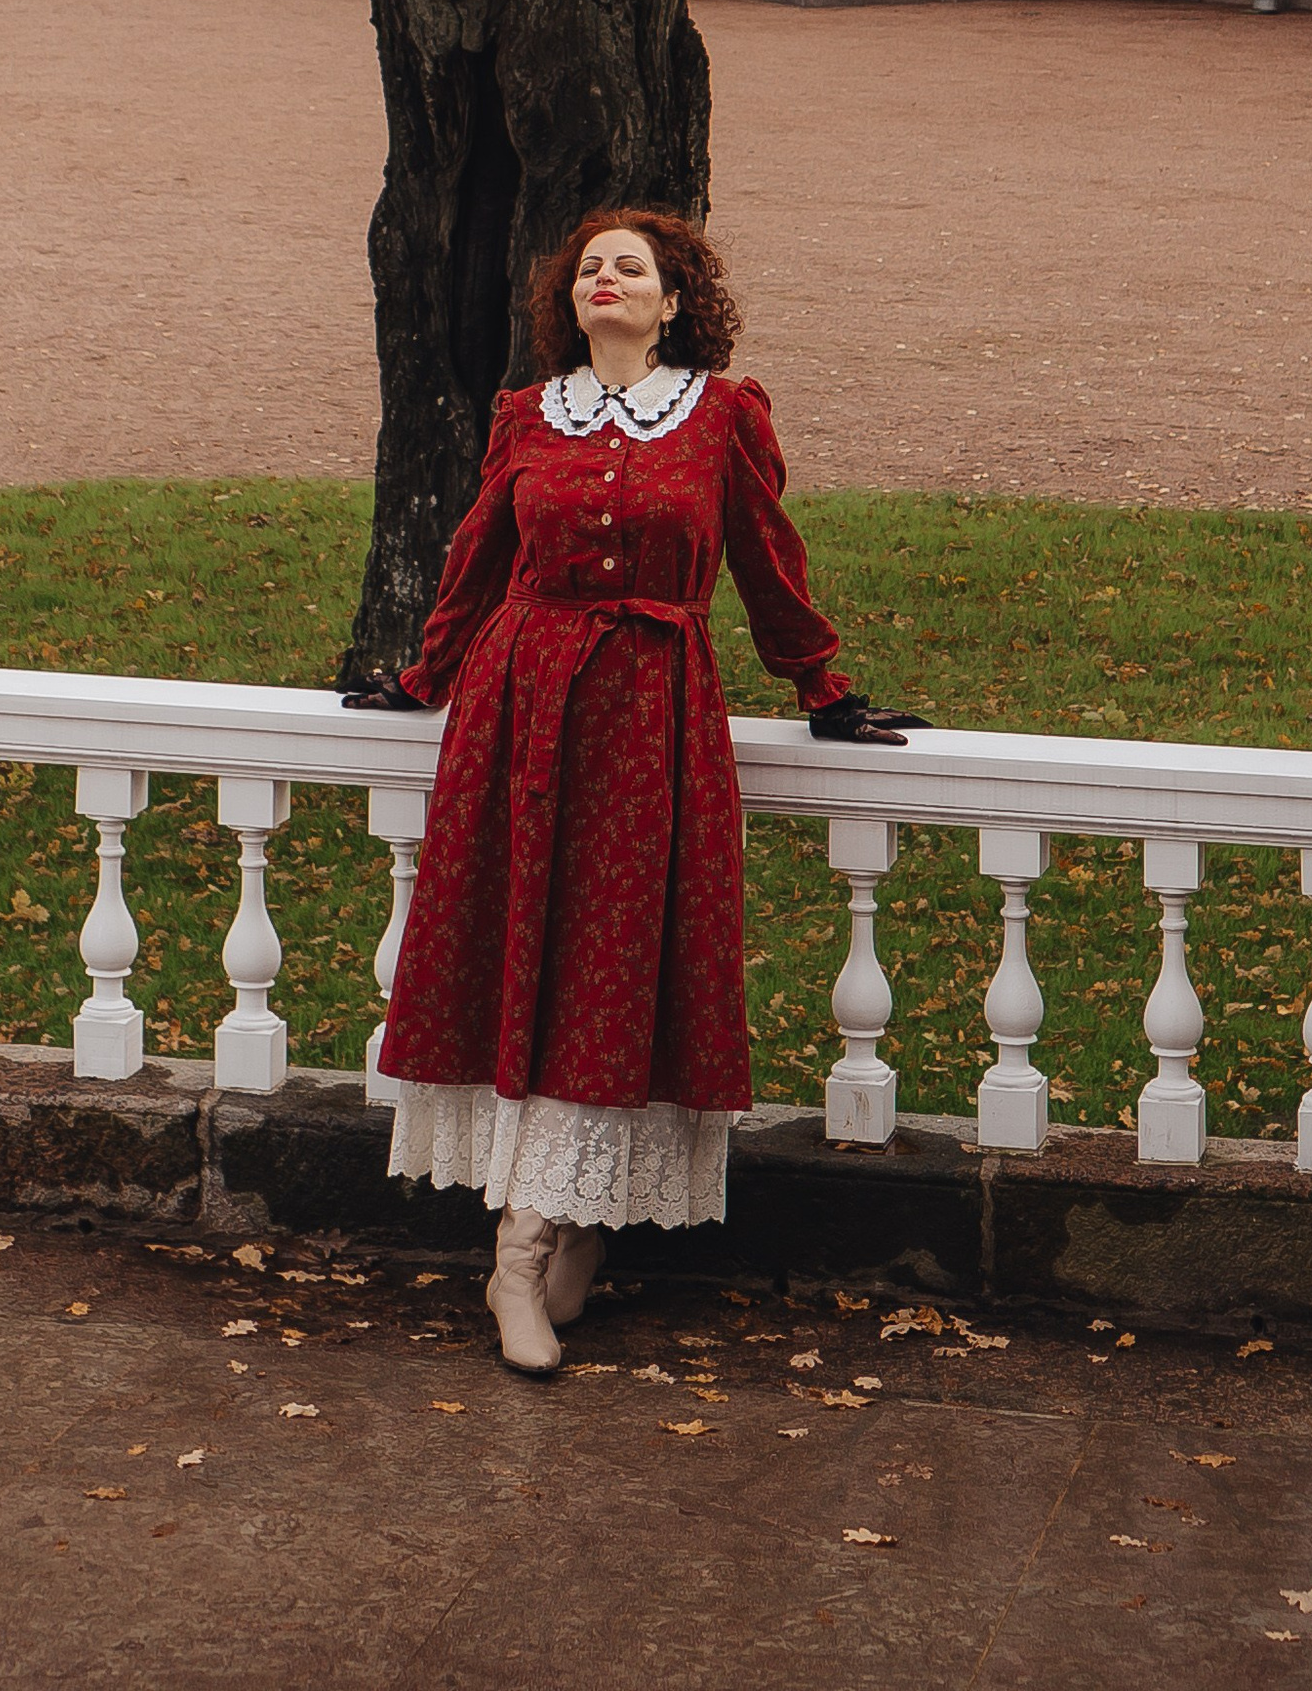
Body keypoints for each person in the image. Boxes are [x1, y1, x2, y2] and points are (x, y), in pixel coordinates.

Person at [343, 206, 917, 1379]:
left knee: (616, 966)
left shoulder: (717, 419)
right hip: (520, 707)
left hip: (651, 717)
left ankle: (552, 1235)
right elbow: (476, 558)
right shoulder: (525, 417)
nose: (605, 279)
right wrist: (425, 675)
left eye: (632, 268)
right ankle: (528, 1255)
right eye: (590, 268)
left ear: (672, 303)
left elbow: (767, 558)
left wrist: (824, 687)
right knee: (529, 959)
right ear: (573, 302)